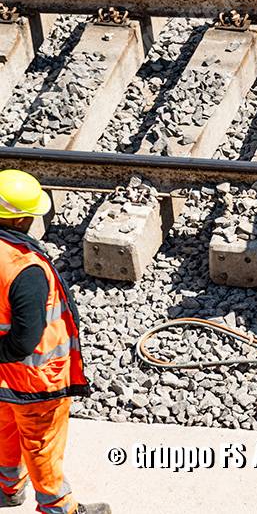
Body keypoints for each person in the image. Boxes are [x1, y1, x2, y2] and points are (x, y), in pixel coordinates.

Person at [0, 169, 108, 514]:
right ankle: (59, 508)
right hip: (34, 382)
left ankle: (7, 488)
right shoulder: (24, 268)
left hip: (2, 380)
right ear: (23, 219)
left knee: (4, 431)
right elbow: (24, 341)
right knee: (42, 444)